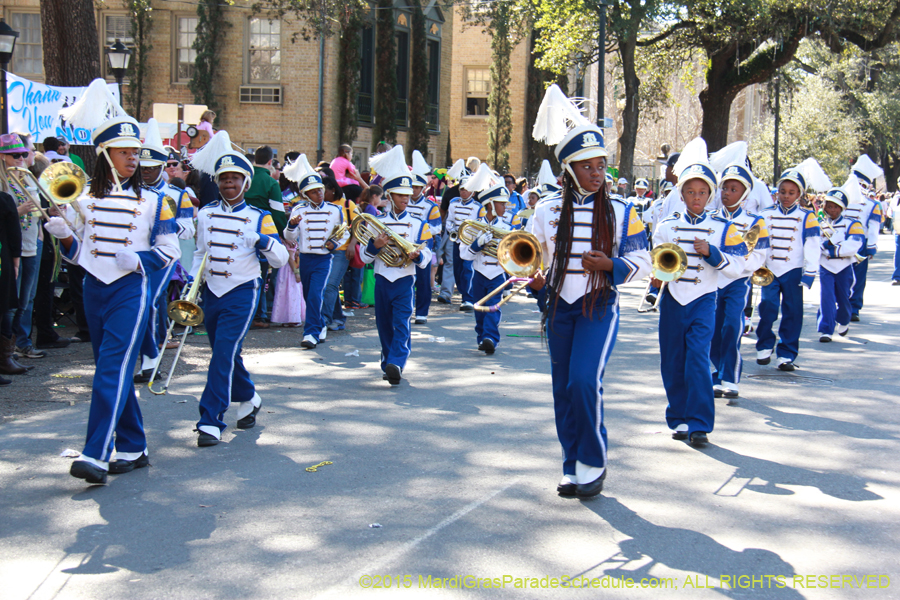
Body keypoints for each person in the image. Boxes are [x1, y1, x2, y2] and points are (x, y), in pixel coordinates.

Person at [43, 79, 181, 484]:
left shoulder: (158, 202)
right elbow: (78, 256)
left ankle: (96, 453)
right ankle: (134, 444)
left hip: (130, 289)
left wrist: (137, 258)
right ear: (105, 154)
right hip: (93, 289)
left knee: (111, 370)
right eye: (124, 153)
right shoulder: (84, 200)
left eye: (136, 153)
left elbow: (170, 251)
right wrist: (65, 235)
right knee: (112, 368)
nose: (133, 160)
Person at [529, 84, 651, 497]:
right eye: (589, 167)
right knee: (562, 387)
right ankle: (570, 464)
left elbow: (646, 263)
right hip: (559, 307)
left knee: (583, 380)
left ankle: (593, 462)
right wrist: (534, 278)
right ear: (570, 170)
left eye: (602, 166)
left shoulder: (623, 210)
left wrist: (611, 265)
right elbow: (532, 257)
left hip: (599, 306)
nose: (598, 174)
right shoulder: (545, 210)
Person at [187, 132, 288, 447]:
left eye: (235, 179)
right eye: (224, 179)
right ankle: (248, 396)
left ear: (246, 183)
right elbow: (201, 254)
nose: (229, 183)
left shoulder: (260, 217)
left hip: (243, 290)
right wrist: (192, 286)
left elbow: (281, 257)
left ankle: (210, 419)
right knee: (225, 353)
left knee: (222, 354)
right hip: (212, 292)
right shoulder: (205, 214)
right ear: (216, 182)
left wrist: (262, 240)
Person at [653, 156, 748, 446]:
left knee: (697, 359)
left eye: (703, 192)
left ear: (711, 195)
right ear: (681, 194)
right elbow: (656, 258)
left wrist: (712, 252)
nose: (697, 198)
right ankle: (678, 416)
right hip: (672, 298)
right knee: (672, 360)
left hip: (705, 299)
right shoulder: (667, 225)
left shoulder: (722, 226)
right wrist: (657, 275)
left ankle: (700, 424)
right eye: (691, 192)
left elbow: (738, 265)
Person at [359, 146, 432, 385]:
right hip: (382, 279)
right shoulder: (377, 222)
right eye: (400, 195)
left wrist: (417, 256)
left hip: (404, 280)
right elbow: (364, 257)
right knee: (384, 325)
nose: (405, 198)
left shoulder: (418, 224)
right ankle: (388, 362)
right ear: (389, 196)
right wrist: (375, 245)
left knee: (401, 323)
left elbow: (428, 255)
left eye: (407, 194)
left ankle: (397, 362)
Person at [133, 119, 197, 382]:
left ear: (162, 167)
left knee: (151, 303)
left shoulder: (175, 194)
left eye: (152, 168)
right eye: (143, 167)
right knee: (141, 306)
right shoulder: (131, 192)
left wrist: (164, 224)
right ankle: (148, 355)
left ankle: (152, 353)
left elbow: (188, 228)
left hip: (162, 257)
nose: (146, 172)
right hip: (134, 258)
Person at [710, 162, 769, 399]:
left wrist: (735, 267)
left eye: (733, 189)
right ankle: (715, 374)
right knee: (713, 328)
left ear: (744, 194)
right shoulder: (711, 218)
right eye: (724, 188)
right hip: (713, 281)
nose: (726, 193)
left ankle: (730, 377)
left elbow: (758, 256)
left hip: (738, 281)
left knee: (732, 326)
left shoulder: (755, 222)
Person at [756, 166, 822, 371]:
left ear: (799, 194)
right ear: (777, 191)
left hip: (793, 269)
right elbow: (758, 242)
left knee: (793, 312)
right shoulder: (765, 214)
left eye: (791, 193)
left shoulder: (807, 216)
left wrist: (810, 271)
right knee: (767, 306)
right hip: (769, 269)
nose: (786, 196)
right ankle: (765, 344)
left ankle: (786, 353)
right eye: (783, 191)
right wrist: (755, 265)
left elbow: (812, 244)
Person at [283, 155, 350, 349]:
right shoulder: (299, 210)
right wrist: (291, 224)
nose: (318, 194)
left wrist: (334, 244)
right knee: (308, 295)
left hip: (324, 259)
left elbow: (344, 233)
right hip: (305, 258)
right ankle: (320, 324)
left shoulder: (334, 210)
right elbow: (289, 236)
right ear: (305, 195)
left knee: (314, 295)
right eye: (313, 192)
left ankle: (310, 332)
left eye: (319, 190)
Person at [0, 133, 45, 361]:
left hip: (31, 244)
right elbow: (4, 215)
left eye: (22, 154)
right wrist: (19, 211)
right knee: (11, 300)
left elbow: (37, 209)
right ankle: (8, 349)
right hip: (11, 248)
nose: (20, 158)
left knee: (27, 299)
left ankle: (23, 343)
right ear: (2, 157)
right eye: (13, 155)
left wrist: (41, 231)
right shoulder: (2, 181)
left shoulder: (27, 177)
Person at [459, 182, 511, 354]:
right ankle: (482, 337)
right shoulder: (473, 226)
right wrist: (477, 244)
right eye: (501, 203)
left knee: (494, 307)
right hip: (479, 274)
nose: (505, 206)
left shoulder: (508, 228)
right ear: (490, 205)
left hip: (497, 274)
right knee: (479, 310)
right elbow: (464, 255)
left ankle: (491, 338)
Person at [244, 145, 287, 327]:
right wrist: (284, 234)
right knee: (261, 274)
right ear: (270, 162)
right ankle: (258, 315)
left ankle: (252, 313)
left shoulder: (246, 177)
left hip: (241, 229)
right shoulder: (271, 183)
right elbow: (277, 212)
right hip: (263, 231)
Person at [817, 185, 865, 342]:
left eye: (836, 207)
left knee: (843, 298)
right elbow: (816, 243)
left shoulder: (852, 224)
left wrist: (832, 250)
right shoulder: (820, 224)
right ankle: (826, 329)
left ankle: (844, 320)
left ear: (842, 208)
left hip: (844, 266)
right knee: (827, 298)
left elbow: (854, 245)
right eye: (829, 206)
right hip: (825, 266)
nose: (832, 210)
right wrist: (825, 247)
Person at [845, 156, 884, 321]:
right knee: (843, 276)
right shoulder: (841, 200)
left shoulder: (871, 204)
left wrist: (871, 247)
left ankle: (854, 307)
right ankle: (845, 304)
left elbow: (873, 228)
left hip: (860, 244)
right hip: (843, 243)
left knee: (858, 278)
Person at [406, 152, 442, 324]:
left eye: (416, 187)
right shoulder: (401, 203)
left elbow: (437, 227)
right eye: (411, 187)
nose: (413, 190)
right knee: (405, 280)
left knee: (422, 280)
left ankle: (421, 312)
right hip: (404, 246)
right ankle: (406, 310)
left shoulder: (430, 205)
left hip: (422, 246)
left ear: (422, 188)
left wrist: (420, 228)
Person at [320, 177, 357, 332]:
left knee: (330, 285)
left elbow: (359, 225)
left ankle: (325, 320)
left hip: (342, 250)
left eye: (323, 191)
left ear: (332, 189)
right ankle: (338, 318)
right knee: (331, 286)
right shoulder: (320, 206)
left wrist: (353, 245)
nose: (320, 194)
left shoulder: (348, 204)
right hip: (324, 251)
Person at [445, 169, 485, 310]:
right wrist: (452, 230)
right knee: (458, 270)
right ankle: (464, 292)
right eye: (461, 189)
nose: (463, 192)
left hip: (469, 243)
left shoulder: (478, 207)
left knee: (468, 269)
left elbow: (480, 226)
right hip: (456, 242)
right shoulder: (453, 203)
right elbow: (449, 221)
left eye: (467, 190)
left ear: (473, 192)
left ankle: (467, 298)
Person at [0, 152, 24, 382]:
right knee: (4, 309)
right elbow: (14, 235)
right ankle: (4, 359)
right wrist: (15, 264)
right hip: (3, 262)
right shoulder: (4, 199)